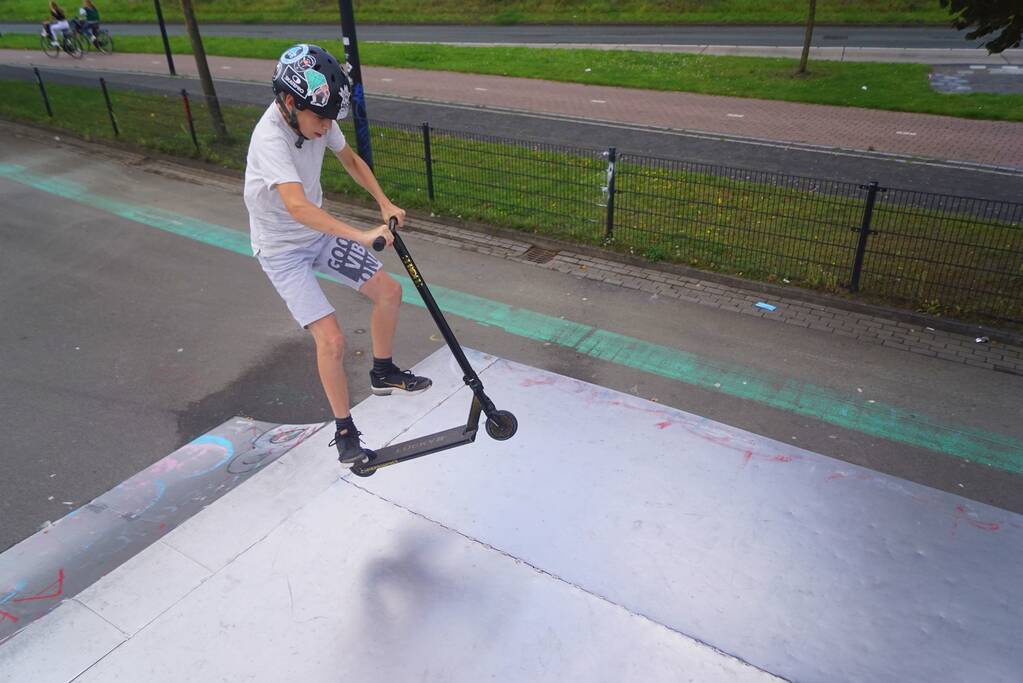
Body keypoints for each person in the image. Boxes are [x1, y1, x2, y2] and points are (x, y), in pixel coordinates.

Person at [244, 43, 432, 466]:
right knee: (331, 339)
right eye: (320, 118)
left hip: (319, 235)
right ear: (290, 102)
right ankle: (345, 429)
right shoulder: (268, 139)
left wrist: (383, 202)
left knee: (390, 292)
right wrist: (361, 235)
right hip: (282, 252)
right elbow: (297, 207)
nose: (326, 127)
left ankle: (383, 372)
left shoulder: (319, 119)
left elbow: (350, 160)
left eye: (331, 119)